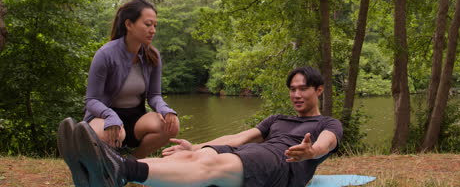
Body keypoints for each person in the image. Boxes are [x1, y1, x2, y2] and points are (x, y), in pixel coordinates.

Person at [58, 66, 342, 187]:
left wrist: (310, 152)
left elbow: (326, 144)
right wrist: (199, 146)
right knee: (194, 156)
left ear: (318, 90)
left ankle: (120, 170)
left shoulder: (327, 123)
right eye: (293, 89)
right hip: (263, 151)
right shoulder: (277, 118)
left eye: (303, 89)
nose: (296, 95)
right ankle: (101, 169)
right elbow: (241, 136)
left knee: (214, 167)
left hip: (283, 162)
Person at [82, 0, 179, 159]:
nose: (153, 30)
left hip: (136, 118)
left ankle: (132, 163)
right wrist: (110, 116)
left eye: (155, 25)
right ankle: (98, 158)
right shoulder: (105, 54)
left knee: (170, 126)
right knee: (113, 134)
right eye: (148, 24)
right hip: (104, 116)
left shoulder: (152, 56)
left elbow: (154, 96)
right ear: (129, 25)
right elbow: (91, 100)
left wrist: (166, 110)